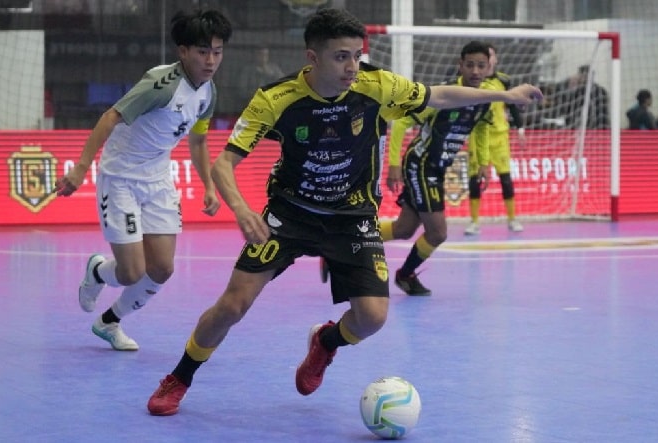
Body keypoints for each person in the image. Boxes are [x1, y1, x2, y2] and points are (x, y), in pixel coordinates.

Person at [145, 7, 542, 416]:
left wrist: (505, 95)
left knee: (371, 318)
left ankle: (326, 343)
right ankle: (180, 376)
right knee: (231, 306)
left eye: (357, 54)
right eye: (341, 56)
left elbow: (438, 95)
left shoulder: (377, 85)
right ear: (312, 58)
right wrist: (243, 211)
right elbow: (223, 164)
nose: (352, 66)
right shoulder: (276, 99)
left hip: (353, 218)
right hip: (290, 215)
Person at [53, 10, 232, 351]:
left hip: (158, 179)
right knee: (132, 272)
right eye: (202, 51)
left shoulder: (209, 93)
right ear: (183, 52)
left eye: (217, 52)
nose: (211, 61)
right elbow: (110, 117)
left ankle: (109, 322)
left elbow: (197, 140)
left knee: (162, 268)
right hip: (120, 179)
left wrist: (208, 185)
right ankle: (96, 273)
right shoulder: (160, 84)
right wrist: (80, 168)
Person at [378, 41, 494, 296]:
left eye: (481, 66)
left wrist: (483, 163)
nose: (475, 71)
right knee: (438, 232)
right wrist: (393, 165)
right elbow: (400, 124)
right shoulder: (443, 96)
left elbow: (483, 129)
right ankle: (405, 276)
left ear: (488, 69)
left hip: (437, 168)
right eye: (470, 65)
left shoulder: (486, 100)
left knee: (404, 229)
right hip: (420, 166)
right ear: (460, 66)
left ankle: (347, 240)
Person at [464, 43, 525, 235]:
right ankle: (474, 222)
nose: (488, 61)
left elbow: (513, 104)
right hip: (477, 137)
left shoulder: (504, 81)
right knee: (475, 180)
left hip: (500, 138)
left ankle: (512, 219)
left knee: (506, 179)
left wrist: (520, 127)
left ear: (494, 60)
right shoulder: (471, 82)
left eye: (491, 57)